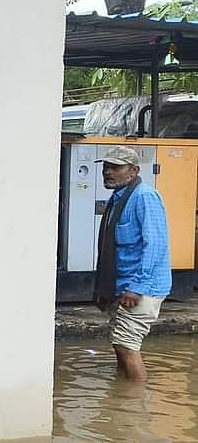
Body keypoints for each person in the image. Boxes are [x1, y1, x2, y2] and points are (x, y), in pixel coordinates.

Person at [93, 145, 171, 381]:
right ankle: (121, 399)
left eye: (116, 167)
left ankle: (135, 404)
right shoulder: (118, 199)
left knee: (127, 345)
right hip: (121, 285)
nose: (108, 172)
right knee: (119, 343)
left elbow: (155, 245)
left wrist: (136, 287)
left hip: (140, 288)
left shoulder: (144, 196)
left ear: (134, 171)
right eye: (106, 167)